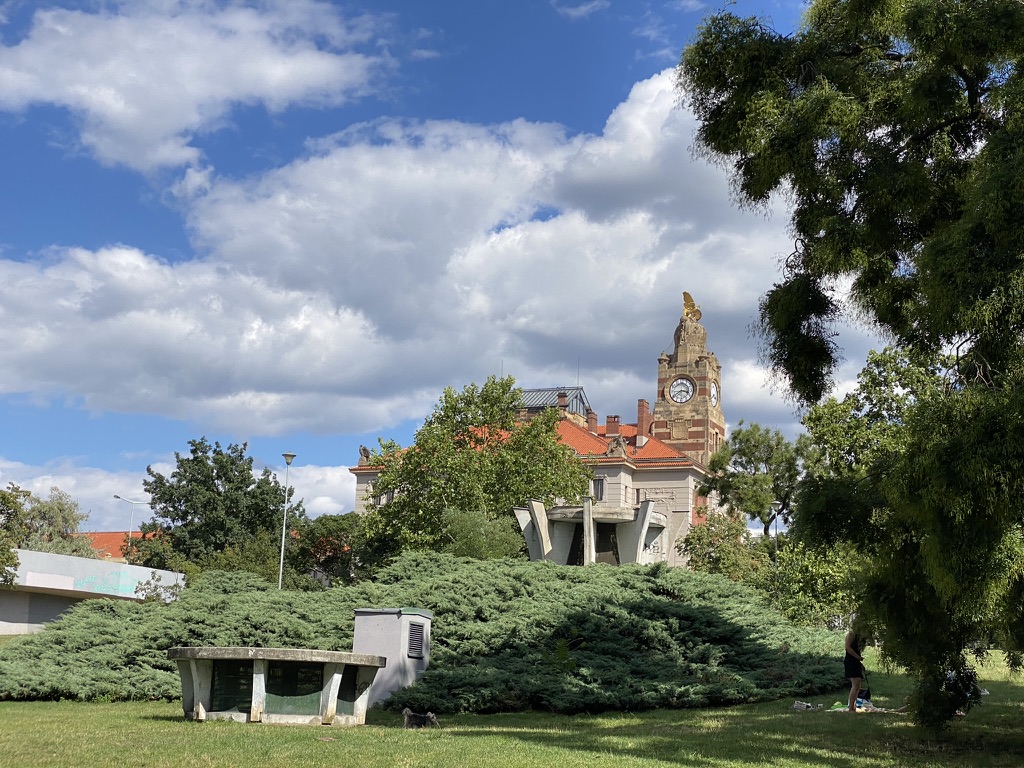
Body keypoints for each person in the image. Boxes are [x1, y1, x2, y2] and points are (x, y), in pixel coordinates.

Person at [844, 628, 865, 712]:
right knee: (855, 684)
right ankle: (851, 707)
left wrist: (860, 664)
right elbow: (847, 647)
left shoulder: (859, 637)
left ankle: (853, 706)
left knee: (858, 685)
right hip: (850, 661)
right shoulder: (851, 634)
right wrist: (858, 658)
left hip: (855, 662)